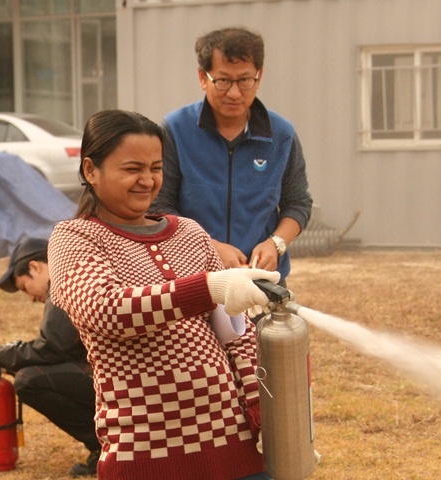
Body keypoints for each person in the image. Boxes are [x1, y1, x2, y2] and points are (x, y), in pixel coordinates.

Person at [47, 109, 280, 480]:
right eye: (132, 168)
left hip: (235, 446)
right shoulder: (74, 239)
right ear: (91, 170)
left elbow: (238, 336)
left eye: (156, 168)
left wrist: (263, 417)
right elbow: (106, 311)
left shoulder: (188, 233)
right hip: (146, 454)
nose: (147, 180)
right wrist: (210, 287)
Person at [151, 27, 313, 286]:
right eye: (223, 80)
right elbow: (159, 206)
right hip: (192, 279)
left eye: (245, 80)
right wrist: (209, 247)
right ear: (203, 78)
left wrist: (276, 243)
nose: (235, 93)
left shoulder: (282, 134)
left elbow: (298, 202)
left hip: (262, 279)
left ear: (259, 78)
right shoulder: (175, 129)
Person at [0, 237, 101, 477]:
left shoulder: (63, 282)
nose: (30, 297)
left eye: (24, 287)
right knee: (30, 372)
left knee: (30, 381)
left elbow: (52, 347)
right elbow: (60, 348)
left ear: (35, 267)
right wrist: (10, 359)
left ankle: (105, 446)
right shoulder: (78, 272)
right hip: (133, 374)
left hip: (126, 380)